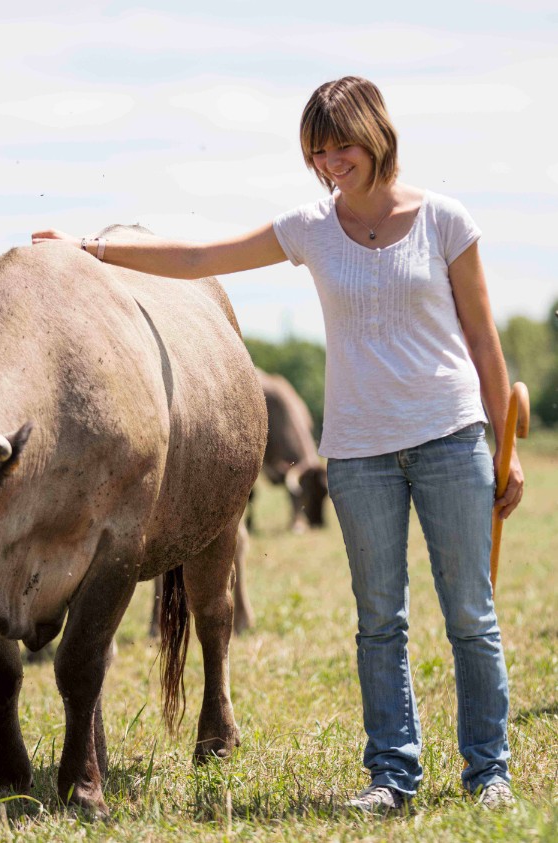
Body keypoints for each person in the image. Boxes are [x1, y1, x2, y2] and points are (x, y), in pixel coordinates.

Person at [32, 76, 523, 813]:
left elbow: (484, 343)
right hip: (357, 454)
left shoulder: (445, 220)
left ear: (378, 135)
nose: (330, 163)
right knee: (378, 620)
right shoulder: (310, 225)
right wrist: (89, 249)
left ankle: (489, 772)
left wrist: (505, 452)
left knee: (469, 615)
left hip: (452, 439)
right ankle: (392, 774)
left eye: (342, 146)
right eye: (317, 152)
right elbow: (201, 255)